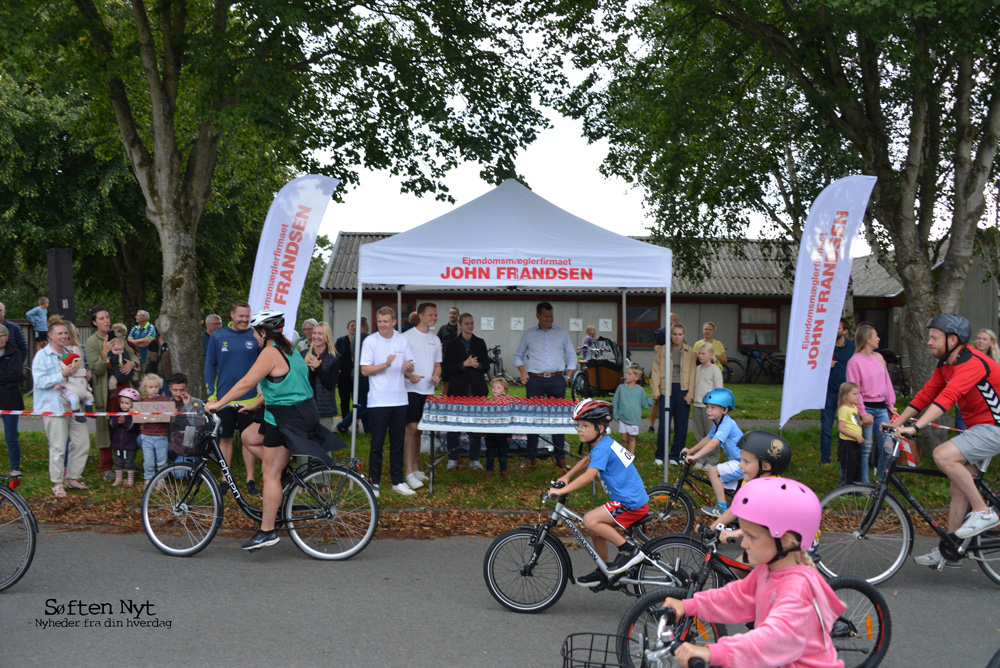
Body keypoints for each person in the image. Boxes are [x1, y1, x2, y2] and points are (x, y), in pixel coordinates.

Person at [663, 477, 845, 668]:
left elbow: (773, 639)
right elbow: (737, 597)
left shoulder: (798, 588)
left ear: (786, 541)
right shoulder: (767, 571)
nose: (743, 544)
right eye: (744, 534)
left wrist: (715, 652)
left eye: (752, 536)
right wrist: (690, 605)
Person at [206, 310, 346, 550]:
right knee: (249, 437)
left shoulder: (270, 352)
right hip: (289, 411)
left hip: (290, 416)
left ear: (263, 332)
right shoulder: (289, 349)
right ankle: (285, 475)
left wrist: (219, 403)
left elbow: (246, 383)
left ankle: (267, 530)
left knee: (269, 473)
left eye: (255, 331)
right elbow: (283, 383)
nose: (253, 335)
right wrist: (255, 404)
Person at [892, 314, 1000, 566]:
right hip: (979, 429)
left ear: (953, 340)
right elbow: (925, 395)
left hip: (994, 427)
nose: (929, 342)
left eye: (934, 337)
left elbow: (947, 398)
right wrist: (896, 424)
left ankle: (983, 513)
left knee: (942, 455)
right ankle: (950, 547)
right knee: (958, 485)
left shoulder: (973, 362)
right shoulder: (945, 365)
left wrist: (915, 427)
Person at [548, 399, 649, 587]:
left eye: (585, 425)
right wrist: (567, 476)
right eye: (578, 425)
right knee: (595, 529)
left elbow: (588, 476)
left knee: (590, 520)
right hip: (629, 499)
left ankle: (630, 551)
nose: (579, 429)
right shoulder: (603, 444)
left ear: (601, 427)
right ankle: (604, 571)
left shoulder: (603, 448)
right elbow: (587, 460)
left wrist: (563, 489)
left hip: (631, 503)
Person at [361, 306, 418, 497]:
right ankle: (374, 482)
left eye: (386, 321)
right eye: (380, 321)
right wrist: (386, 364)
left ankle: (398, 481)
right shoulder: (370, 341)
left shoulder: (401, 340)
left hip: (399, 399)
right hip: (378, 401)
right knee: (376, 444)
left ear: (394, 322)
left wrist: (408, 367)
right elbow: (364, 370)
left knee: (397, 444)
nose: (382, 325)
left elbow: (410, 363)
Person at [514, 301, 577, 470]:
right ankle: (530, 456)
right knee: (533, 418)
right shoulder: (529, 334)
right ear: (538, 316)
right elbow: (518, 356)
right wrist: (523, 372)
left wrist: (567, 377)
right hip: (535, 379)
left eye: (551, 316)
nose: (550, 319)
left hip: (558, 379)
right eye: (546, 316)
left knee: (558, 418)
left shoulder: (562, 333)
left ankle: (560, 457)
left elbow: (572, 356)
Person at [205, 300, 260, 488]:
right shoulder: (218, 336)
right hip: (224, 400)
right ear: (232, 315)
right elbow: (210, 366)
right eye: (241, 316)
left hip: (251, 400)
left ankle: (250, 479)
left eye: (247, 316)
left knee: (249, 440)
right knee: (225, 438)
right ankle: (224, 478)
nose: (244, 319)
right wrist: (211, 396)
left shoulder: (256, 335)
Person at [34, 321, 91, 497]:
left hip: (74, 405)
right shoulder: (42, 356)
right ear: (50, 335)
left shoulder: (71, 354)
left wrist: (84, 374)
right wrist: (62, 375)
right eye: (60, 334)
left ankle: (72, 478)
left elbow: (77, 377)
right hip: (54, 406)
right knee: (58, 446)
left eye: (65, 333)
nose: (64, 336)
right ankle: (57, 483)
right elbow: (39, 381)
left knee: (82, 442)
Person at [86, 306, 140, 480]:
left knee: (129, 423)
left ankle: (127, 463)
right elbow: (96, 369)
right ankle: (107, 467)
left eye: (107, 317)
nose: (106, 321)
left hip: (125, 387)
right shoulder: (91, 342)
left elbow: (134, 356)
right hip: (106, 390)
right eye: (101, 318)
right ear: (94, 322)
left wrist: (132, 363)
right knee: (107, 425)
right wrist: (104, 354)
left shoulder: (117, 336)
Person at [681, 388, 743, 517]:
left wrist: (695, 457)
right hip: (737, 461)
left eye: (713, 407)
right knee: (725, 490)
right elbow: (707, 438)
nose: (708, 410)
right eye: (707, 407)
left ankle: (721, 508)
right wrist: (690, 450)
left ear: (725, 410)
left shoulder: (727, 424)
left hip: (742, 463)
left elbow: (713, 443)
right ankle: (736, 514)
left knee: (712, 471)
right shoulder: (719, 424)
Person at [846, 322, 896, 482]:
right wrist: (862, 413)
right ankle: (865, 484)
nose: (879, 339)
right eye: (876, 336)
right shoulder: (855, 361)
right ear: (868, 339)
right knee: (866, 448)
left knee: (887, 446)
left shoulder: (880, 358)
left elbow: (887, 381)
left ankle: (882, 481)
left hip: (881, 409)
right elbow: (855, 389)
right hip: (866, 408)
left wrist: (890, 404)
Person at [443, 312, 489, 471]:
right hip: (457, 390)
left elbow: (487, 367)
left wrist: (478, 365)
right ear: (461, 325)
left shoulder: (480, 342)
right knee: (454, 426)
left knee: (475, 427)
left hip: (477, 389)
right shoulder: (451, 344)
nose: (470, 325)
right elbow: (447, 369)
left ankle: (474, 459)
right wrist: (464, 364)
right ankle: (453, 458)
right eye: (467, 323)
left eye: (472, 323)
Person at [403, 303, 442, 488]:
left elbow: (438, 364)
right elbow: (401, 366)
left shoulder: (436, 339)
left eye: (435, 315)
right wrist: (410, 374)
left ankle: (416, 468)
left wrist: (437, 376)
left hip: (428, 390)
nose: (434, 318)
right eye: (431, 315)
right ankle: (408, 472)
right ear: (421, 316)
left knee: (419, 430)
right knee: (411, 430)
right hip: (410, 389)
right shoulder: (407, 337)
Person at [654, 323, 696, 464]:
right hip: (667, 389)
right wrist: (656, 390)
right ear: (670, 335)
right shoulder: (663, 351)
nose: (677, 337)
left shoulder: (690, 351)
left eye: (680, 334)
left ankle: (675, 455)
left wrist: (690, 393)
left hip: (683, 390)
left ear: (684, 336)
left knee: (681, 424)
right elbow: (656, 371)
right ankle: (660, 455)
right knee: (664, 424)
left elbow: (692, 374)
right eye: (674, 334)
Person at [819, 318, 855, 465]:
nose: (835, 331)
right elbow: (814, 368)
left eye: (838, 328)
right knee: (826, 429)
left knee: (845, 429)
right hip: (828, 393)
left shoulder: (852, 349)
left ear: (845, 331)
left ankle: (842, 458)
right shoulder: (826, 348)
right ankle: (825, 460)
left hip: (846, 395)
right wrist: (826, 365)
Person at [336, 317, 371, 434]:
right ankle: (344, 424)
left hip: (355, 373)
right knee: (363, 404)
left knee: (362, 402)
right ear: (366, 325)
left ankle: (368, 428)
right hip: (362, 374)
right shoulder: (365, 336)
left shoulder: (356, 337)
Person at [304, 322, 340, 431]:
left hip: (325, 409)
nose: (316, 336)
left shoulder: (335, 358)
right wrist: (312, 370)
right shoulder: (303, 355)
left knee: (324, 445)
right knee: (306, 444)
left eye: (320, 333)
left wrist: (318, 368)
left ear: (327, 336)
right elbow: (302, 382)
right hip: (305, 407)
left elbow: (330, 385)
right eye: (314, 333)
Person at [690, 342, 724, 458]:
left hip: (710, 407)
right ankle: (700, 458)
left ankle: (712, 459)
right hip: (697, 405)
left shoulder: (715, 370)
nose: (700, 356)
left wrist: (715, 407)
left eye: (703, 353)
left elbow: (719, 390)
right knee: (699, 434)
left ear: (711, 355)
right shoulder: (698, 369)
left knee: (711, 434)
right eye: (699, 353)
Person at [0, 324, 24, 476]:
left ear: (7, 337)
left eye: (2, 335)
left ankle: (15, 467)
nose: (0, 338)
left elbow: (15, 374)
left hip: (10, 400)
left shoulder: (15, 352)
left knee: (11, 435)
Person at [612, 363, 652, 454]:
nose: (626, 375)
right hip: (622, 418)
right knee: (624, 439)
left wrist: (653, 400)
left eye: (629, 374)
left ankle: (630, 457)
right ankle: (623, 457)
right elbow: (615, 402)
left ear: (636, 378)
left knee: (632, 438)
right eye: (626, 373)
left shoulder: (640, 390)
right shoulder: (621, 388)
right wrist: (615, 415)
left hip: (634, 419)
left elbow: (645, 404)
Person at [138, 373, 170, 487]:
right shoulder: (142, 402)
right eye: (151, 387)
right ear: (145, 388)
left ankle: (161, 478)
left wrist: (171, 413)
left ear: (160, 386)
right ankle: (148, 478)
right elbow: (139, 416)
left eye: (156, 387)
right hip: (146, 436)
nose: (154, 389)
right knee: (148, 460)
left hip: (161, 435)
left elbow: (170, 415)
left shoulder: (165, 400)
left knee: (162, 461)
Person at [109, 387, 141, 487]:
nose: (123, 405)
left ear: (133, 404)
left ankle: (130, 479)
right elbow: (111, 424)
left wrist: (126, 421)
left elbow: (133, 427)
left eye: (127, 403)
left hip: (130, 444)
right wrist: (117, 422)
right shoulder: (117, 413)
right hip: (117, 444)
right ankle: (119, 478)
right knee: (118, 462)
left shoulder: (134, 415)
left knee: (129, 462)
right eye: (122, 402)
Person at [836, 382, 865, 485]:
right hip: (847, 443)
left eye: (858, 394)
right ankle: (845, 490)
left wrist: (863, 423)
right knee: (848, 466)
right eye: (854, 394)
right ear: (845, 396)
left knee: (857, 466)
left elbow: (855, 423)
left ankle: (856, 490)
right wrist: (856, 435)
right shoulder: (844, 409)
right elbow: (841, 428)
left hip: (856, 442)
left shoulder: (854, 408)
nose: (857, 396)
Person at [484, 378, 512, 479]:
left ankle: (503, 470)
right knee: (490, 453)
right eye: (493, 387)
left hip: (502, 434)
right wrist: (485, 432)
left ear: (504, 391)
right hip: (491, 433)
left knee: (503, 453)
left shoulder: (507, 404)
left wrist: (509, 434)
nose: (495, 389)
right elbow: (485, 418)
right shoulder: (488, 404)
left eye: (498, 388)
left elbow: (509, 420)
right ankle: (489, 470)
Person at [437, 306, 460, 395]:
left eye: (454, 313)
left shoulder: (461, 329)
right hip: (446, 361)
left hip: (459, 362)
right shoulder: (443, 329)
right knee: (445, 383)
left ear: (458, 315)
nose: (452, 315)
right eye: (451, 313)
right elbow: (437, 344)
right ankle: (445, 403)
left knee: (458, 383)